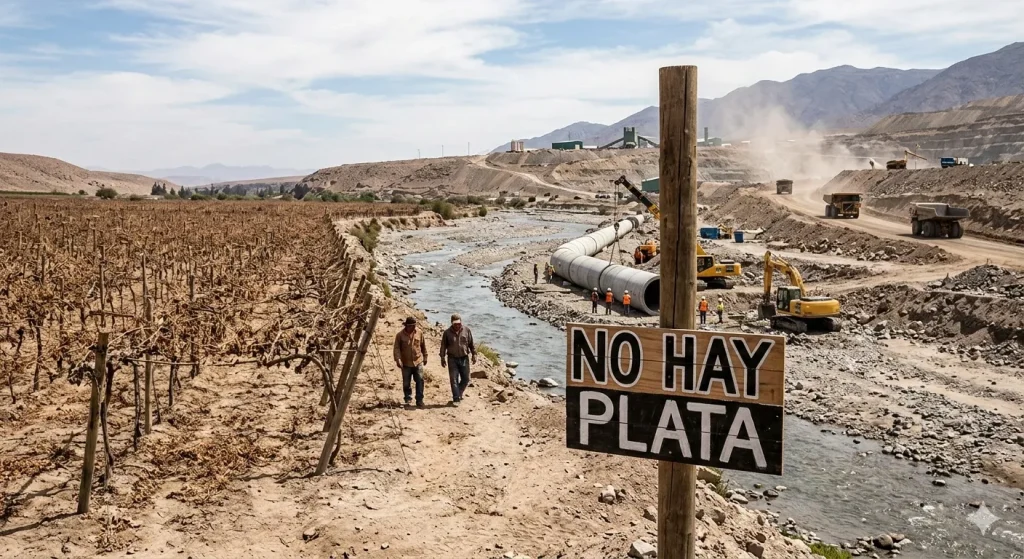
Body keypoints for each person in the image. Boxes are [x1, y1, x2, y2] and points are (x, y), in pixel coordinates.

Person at [440, 313, 476, 406]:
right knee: (454, 379)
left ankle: (459, 392)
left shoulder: (467, 330)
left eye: (459, 323)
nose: (457, 325)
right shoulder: (447, 333)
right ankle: (456, 398)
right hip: (452, 359)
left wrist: (474, 354)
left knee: (466, 378)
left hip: (464, 358)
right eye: (455, 324)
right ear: (451, 323)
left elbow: (471, 343)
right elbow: (443, 346)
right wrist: (442, 357)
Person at [393, 317, 426, 408]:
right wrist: (398, 359)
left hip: (417, 361)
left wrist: (425, 356)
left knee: (420, 380)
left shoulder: (419, 333)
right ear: (407, 326)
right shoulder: (399, 335)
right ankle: (408, 397)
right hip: (406, 363)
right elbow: (396, 349)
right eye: (412, 326)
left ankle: (419, 400)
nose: (414, 327)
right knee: (406, 382)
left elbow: (423, 345)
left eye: (415, 325)